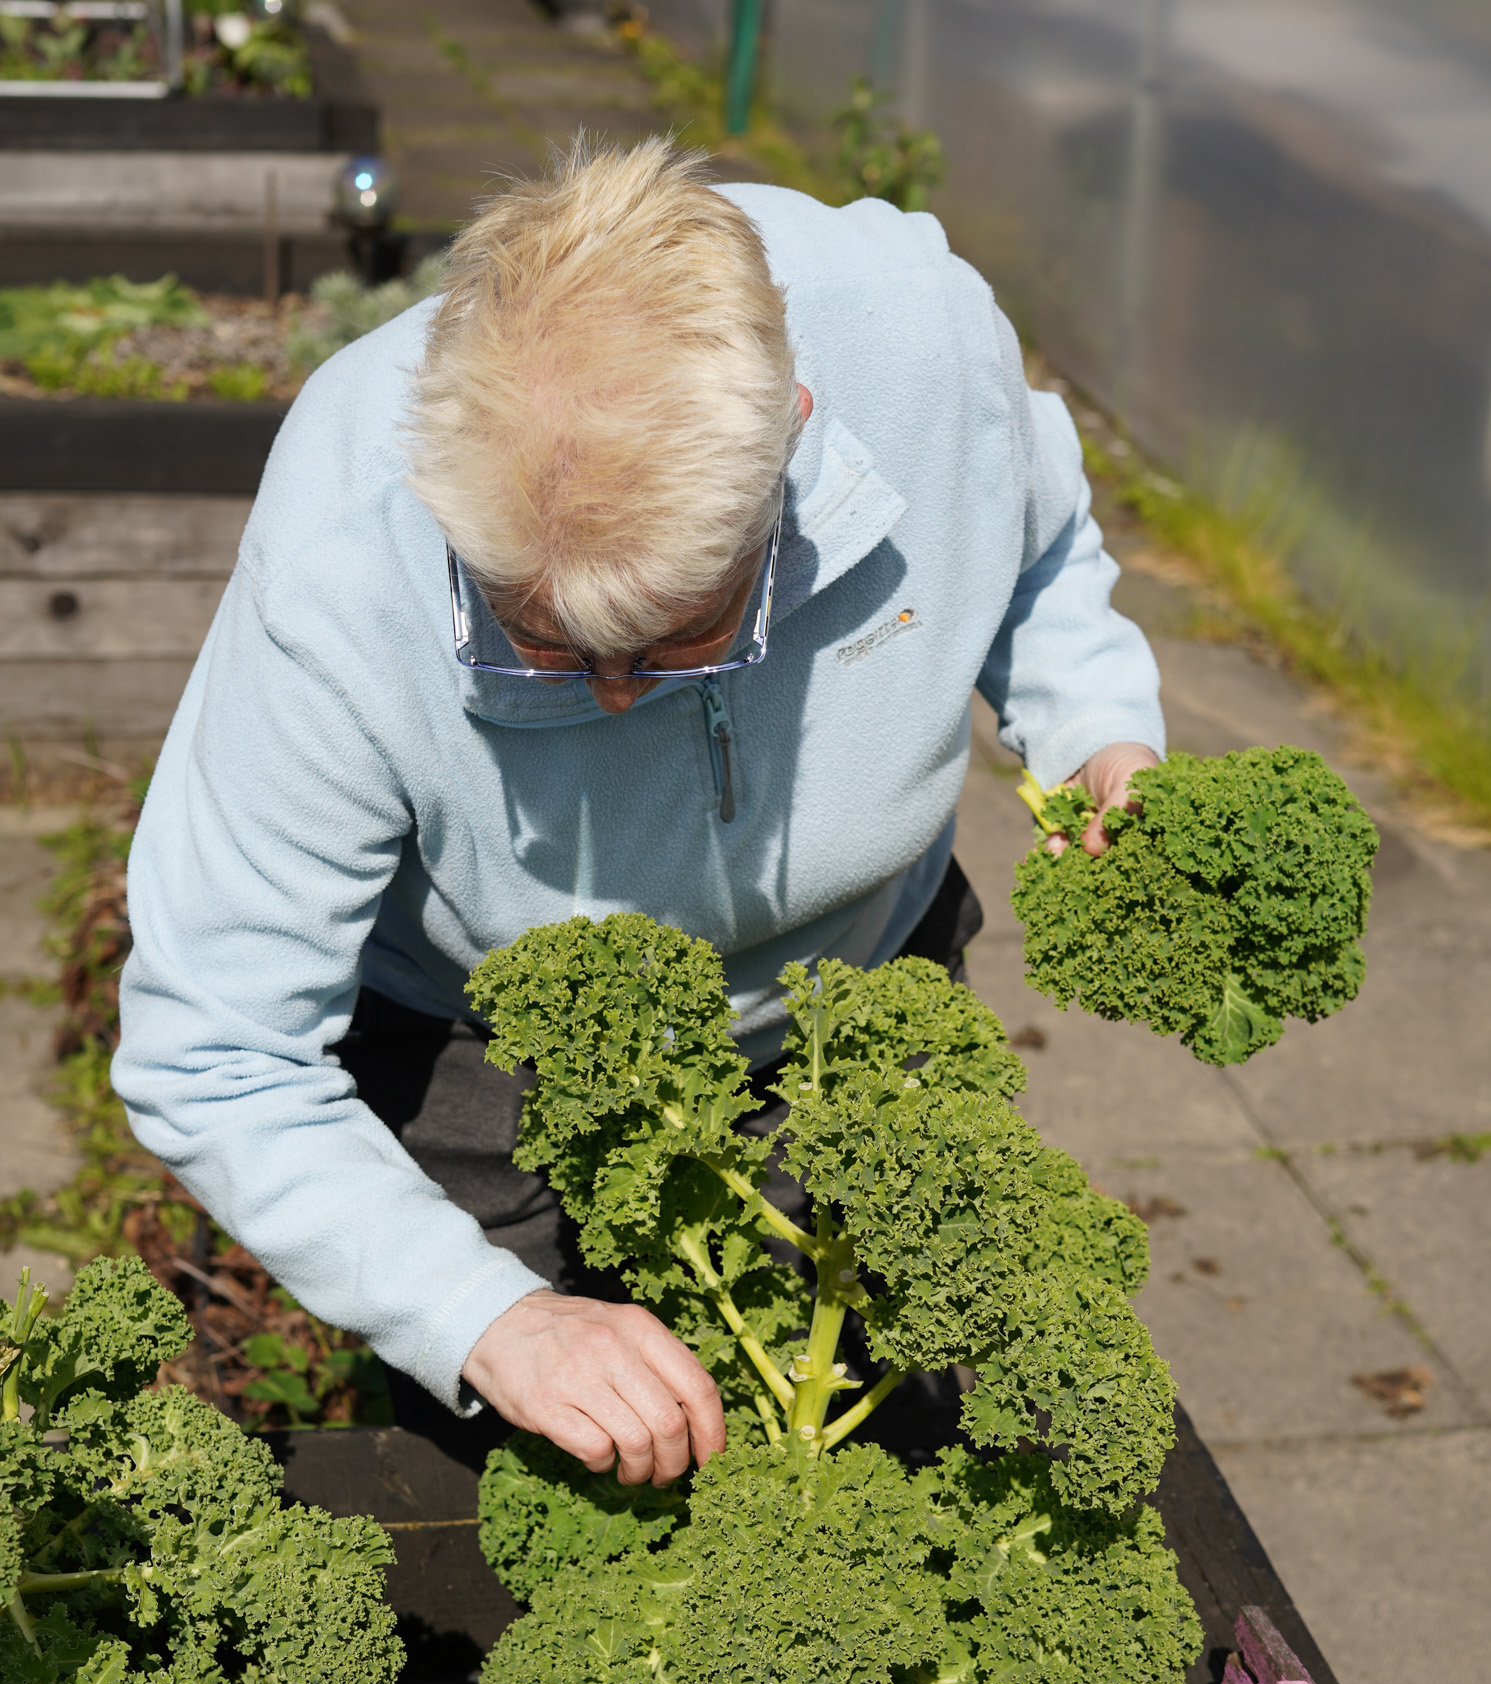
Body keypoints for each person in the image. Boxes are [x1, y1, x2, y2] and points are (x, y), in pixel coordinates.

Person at [114, 139, 1163, 1494]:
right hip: (481, 1061)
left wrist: (1090, 720)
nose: (614, 699)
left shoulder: (922, 335)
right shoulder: (345, 547)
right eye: (541, 646)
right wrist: (485, 1317)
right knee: (549, 1491)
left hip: (860, 999)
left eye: (675, 644)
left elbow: (1040, 542)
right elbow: (216, 1042)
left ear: (787, 442)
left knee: (863, 1463)